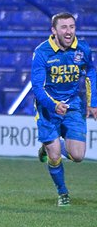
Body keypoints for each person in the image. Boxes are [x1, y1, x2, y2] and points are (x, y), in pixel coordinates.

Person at [30, 12, 97, 207]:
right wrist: (53, 105)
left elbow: (91, 72)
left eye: (72, 27)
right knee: (55, 155)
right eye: (64, 27)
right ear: (54, 30)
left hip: (73, 105)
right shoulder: (42, 52)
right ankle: (63, 193)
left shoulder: (82, 48)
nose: (69, 32)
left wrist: (93, 103)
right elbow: (37, 87)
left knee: (77, 156)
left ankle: (48, 146)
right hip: (47, 107)